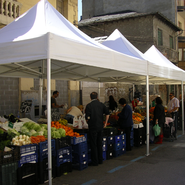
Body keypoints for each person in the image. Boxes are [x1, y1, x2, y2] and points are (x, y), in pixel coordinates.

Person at [85, 92, 109, 166]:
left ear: (90, 97)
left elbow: (87, 118)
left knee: (93, 144)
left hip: (93, 127)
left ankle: (95, 162)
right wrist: (105, 123)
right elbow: (107, 114)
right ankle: (100, 159)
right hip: (100, 127)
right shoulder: (101, 104)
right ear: (97, 97)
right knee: (99, 143)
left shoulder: (89, 106)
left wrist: (87, 122)